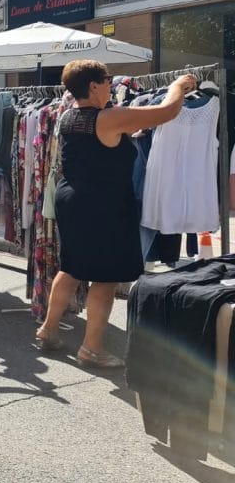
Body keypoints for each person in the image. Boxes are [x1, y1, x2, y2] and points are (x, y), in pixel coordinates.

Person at [36, 62, 197, 368]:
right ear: (93, 86)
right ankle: (92, 348)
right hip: (103, 204)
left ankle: (48, 328)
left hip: (71, 199)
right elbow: (167, 112)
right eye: (107, 80)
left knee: (71, 266)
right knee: (105, 277)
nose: (111, 84)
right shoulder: (108, 117)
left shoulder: (69, 116)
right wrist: (178, 85)